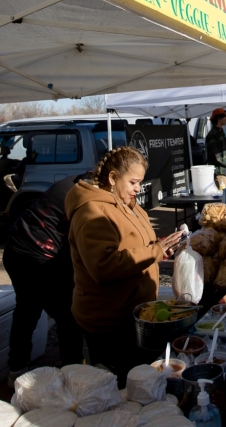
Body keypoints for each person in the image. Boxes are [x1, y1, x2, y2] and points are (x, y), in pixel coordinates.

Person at [65, 147, 183, 384]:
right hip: (109, 321)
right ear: (112, 178)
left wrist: (160, 248)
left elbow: (138, 244)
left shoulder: (127, 204)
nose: (138, 189)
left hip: (132, 313)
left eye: (140, 182)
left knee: (137, 378)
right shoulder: (91, 212)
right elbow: (103, 266)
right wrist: (154, 251)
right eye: (133, 182)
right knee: (118, 385)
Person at [3, 176, 85, 382]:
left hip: (17, 249)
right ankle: (72, 375)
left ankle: (16, 369)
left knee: (26, 310)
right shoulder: (85, 197)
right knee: (67, 314)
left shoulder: (76, 183)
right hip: (37, 257)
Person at [204, 107, 226, 178]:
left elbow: (223, 154)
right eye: (224, 116)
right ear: (218, 118)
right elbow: (216, 157)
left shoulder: (220, 132)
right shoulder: (212, 135)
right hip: (220, 173)